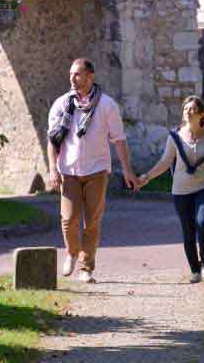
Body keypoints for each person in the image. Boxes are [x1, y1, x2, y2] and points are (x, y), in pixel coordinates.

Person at [48, 58, 138, 284]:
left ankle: (86, 268)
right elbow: (52, 140)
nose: (73, 79)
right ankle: (71, 252)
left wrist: (127, 170)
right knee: (68, 219)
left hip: (97, 169)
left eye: (77, 74)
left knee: (92, 221)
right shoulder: (61, 104)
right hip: (69, 169)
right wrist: (52, 170)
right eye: (71, 74)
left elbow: (119, 140)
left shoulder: (106, 105)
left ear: (90, 77)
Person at [137, 95, 204, 283]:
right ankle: (194, 269)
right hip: (181, 191)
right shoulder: (175, 137)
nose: (187, 112)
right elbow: (165, 162)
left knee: (202, 223)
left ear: (201, 114)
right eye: (185, 109)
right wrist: (147, 177)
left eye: (192, 109)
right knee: (188, 230)